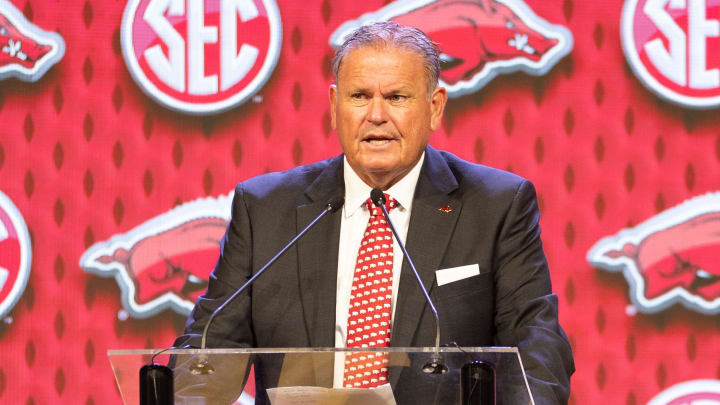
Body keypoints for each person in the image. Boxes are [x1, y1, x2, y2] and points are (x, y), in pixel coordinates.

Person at [175, 21, 574, 404]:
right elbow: (211, 346)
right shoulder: (265, 208)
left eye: (397, 97)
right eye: (359, 96)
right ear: (335, 106)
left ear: (435, 108)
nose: (376, 115)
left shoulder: (496, 205)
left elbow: (534, 343)